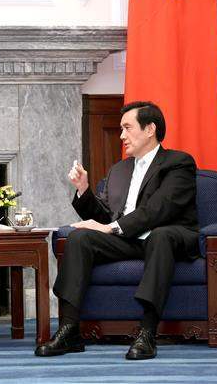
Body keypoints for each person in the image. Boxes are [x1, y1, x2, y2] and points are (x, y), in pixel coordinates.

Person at [35, 101, 199, 360]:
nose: (121, 135)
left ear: (150, 129)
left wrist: (111, 227)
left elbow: (160, 209)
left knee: (160, 235)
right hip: (129, 239)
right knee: (79, 238)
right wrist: (84, 190)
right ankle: (69, 329)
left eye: (127, 128)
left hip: (167, 236)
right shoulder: (119, 170)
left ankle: (147, 332)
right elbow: (106, 217)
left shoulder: (178, 163)